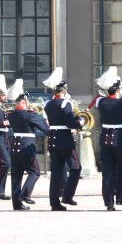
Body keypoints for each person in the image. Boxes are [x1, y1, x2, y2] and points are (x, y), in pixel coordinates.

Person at [95, 66, 122, 210]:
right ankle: (120, 196)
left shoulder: (100, 101)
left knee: (107, 171)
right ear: (118, 89)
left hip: (105, 137)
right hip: (120, 138)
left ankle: (109, 202)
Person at [43, 68, 84, 211]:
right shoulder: (65, 103)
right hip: (64, 139)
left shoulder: (48, 104)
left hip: (53, 139)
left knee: (56, 172)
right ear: (64, 90)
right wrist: (80, 122)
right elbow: (70, 122)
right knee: (76, 167)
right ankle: (67, 195)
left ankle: (54, 203)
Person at [7, 79, 49, 211]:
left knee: (16, 176)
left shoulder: (11, 115)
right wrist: (43, 117)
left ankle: (17, 204)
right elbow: (46, 129)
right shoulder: (31, 115)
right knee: (34, 172)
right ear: (25, 100)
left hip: (14, 146)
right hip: (26, 146)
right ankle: (25, 194)